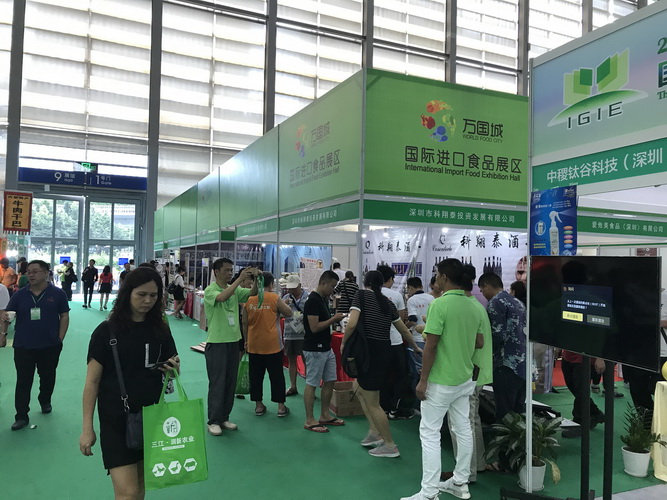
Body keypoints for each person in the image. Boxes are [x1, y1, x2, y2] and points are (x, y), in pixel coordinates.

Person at [79, 266, 180, 500]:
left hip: (152, 415)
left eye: (153, 296)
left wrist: (173, 369)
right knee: (128, 492)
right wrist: (87, 428)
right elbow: (92, 383)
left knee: (141, 487)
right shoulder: (105, 332)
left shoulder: (160, 329)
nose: (148, 301)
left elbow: (174, 371)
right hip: (116, 419)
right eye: (141, 295)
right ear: (127, 294)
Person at [401, 259, 482, 500]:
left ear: (444, 277)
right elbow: (479, 342)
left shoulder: (439, 304)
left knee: (429, 433)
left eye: (437, 274)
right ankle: (460, 482)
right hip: (464, 378)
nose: (435, 278)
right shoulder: (473, 305)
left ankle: (429, 493)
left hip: (441, 380)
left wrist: (423, 380)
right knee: (463, 428)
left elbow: (432, 345)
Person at [343, 270, 422, 458]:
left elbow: (351, 323)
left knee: (373, 402)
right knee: (357, 387)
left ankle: (389, 444)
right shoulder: (387, 303)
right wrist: (415, 347)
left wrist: (344, 343)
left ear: (365, 282)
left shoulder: (361, 296)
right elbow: (403, 329)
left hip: (368, 353)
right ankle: (374, 431)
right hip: (383, 352)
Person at [0, 260, 70, 431]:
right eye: (29, 272)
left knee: (47, 377)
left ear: (46, 273)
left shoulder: (58, 294)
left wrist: (59, 338)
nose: (31, 275)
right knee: (23, 381)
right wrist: (3, 333)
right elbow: (8, 315)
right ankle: (21, 416)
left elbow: (64, 316)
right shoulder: (19, 295)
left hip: (50, 345)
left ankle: (45, 400)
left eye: (35, 271)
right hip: (23, 345)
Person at [443, 264, 492, 484]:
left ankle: (466, 472)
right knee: (472, 420)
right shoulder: (476, 306)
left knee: (461, 424)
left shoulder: (466, 307)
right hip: (477, 371)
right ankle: (477, 464)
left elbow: (477, 342)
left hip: (469, 372)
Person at [203, 258, 259, 436]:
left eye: (231, 270)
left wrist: (257, 278)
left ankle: (224, 417)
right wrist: (239, 279)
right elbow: (222, 297)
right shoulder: (210, 290)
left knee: (230, 382)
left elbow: (252, 293)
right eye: (226, 270)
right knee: (217, 383)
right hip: (217, 342)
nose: (229, 273)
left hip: (234, 342)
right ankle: (213, 420)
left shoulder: (235, 290)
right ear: (216, 272)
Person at [478, 272, 527, 422]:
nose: (482, 293)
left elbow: (497, 334)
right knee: (519, 411)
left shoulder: (495, 302)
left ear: (487, 286)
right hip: (522, 363)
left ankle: (504, 438)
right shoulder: (517, 302)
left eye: (482, 290)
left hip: (505, 364)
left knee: (504, 414)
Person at [302, 270, 346, 433]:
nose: (333, 290)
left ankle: (325, 414)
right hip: (314, 348)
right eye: (332, 286)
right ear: (323, 283)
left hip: (326, 347)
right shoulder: (313, 301)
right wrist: (333, 319)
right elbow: (314, 327)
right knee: (312, 383)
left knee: (330, 380)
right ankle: (309, 419)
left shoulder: (323, 299)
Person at [243, 272, 293, 417]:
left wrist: (246, 340)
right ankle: (281, 407)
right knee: (276, 376)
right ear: (271, 284)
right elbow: (289, 313)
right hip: (272, 345)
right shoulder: (274, 298)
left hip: (254, 344)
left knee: (256, 376)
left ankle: (258, 406)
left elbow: (244, 322)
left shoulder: (249, 300)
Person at [376, 264, 412, 419]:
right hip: (395, 342)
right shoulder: (396, 296)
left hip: (378, 343)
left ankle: (382, 408)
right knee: (400, 376)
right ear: (390, 279)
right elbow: (401, 320)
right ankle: (394, 409)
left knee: (382, 376)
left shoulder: (370, 294)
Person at [282, 274, 309, 397]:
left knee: (306, 361)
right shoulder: (286, 298)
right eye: (290, 287)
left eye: (294, 287)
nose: (291, 290)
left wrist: (302, 317)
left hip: (303, 334)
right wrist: (284, 304)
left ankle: (309, 388)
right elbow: (279, 313)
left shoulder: (308, 297)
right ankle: (293, 386)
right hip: (289, 333)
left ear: (300, 285)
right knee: (291, 360)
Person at [405, 277, 434, 376]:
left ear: (410, 287)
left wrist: (404, 327)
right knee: (430, 368)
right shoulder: (431, 298)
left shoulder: (411, 300)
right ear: (421, 286)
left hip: (417, 338)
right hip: (431, 337)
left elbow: (413, 319)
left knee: (418, 370)